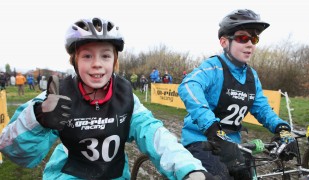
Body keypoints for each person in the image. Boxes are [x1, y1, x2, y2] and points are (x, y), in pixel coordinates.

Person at [0, 17, 215, 180]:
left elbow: (154, 134)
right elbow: (14, 151)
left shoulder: (126, 96)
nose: (97, 63)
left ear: (115, 61)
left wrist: (189, 168)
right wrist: (38, 120)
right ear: (74, 61)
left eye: (105, 55)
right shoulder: (56, 96)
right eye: (87, 56)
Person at [178, 9, 298, 179]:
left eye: (254, 38)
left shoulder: (251, 76)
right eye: (243, 38)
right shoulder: (213, 67)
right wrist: (212, 128)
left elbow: (262, 107)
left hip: (232, 144)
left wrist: (282, 127)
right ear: (224, 42)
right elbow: (188, 86)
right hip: (201, 141)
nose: (250, 44)